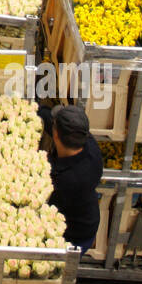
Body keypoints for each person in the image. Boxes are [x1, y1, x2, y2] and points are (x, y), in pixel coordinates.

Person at [39, 104, 103, 257]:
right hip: (87, 216)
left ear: (55, 136)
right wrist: (35, 109)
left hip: (73, 237)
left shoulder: (66, 180)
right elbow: (55, 124)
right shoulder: (88, 145)